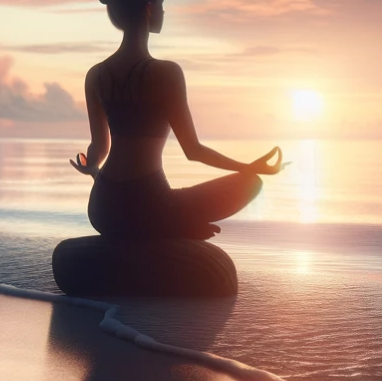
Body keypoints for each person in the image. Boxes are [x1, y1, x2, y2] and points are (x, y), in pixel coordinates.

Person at [70, 0, 282, 241]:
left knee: (150, 203)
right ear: (148, 8)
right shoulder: (167, 74)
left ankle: (176, 225)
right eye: (161, 4)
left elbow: (99, 148)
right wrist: (248, 167)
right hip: (150, 205)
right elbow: (193, 151)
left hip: (102, 208)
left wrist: (92, 168)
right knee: (251, 183)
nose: (163, 11)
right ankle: (176, 225)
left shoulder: (95, 75)